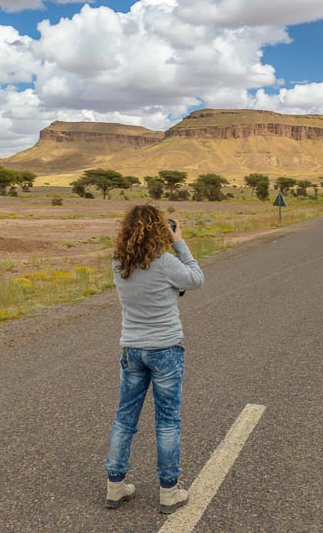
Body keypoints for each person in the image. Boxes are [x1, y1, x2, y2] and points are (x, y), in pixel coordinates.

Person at [104, 204, 204, 514]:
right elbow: (196, 279)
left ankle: (115, 487)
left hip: (132, 349)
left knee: (125, 418)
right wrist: (178, 241)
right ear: (159, 230)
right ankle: (168, 491)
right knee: (167, 422)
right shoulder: (165, 263)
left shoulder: (119, 262)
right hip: (165, 350)